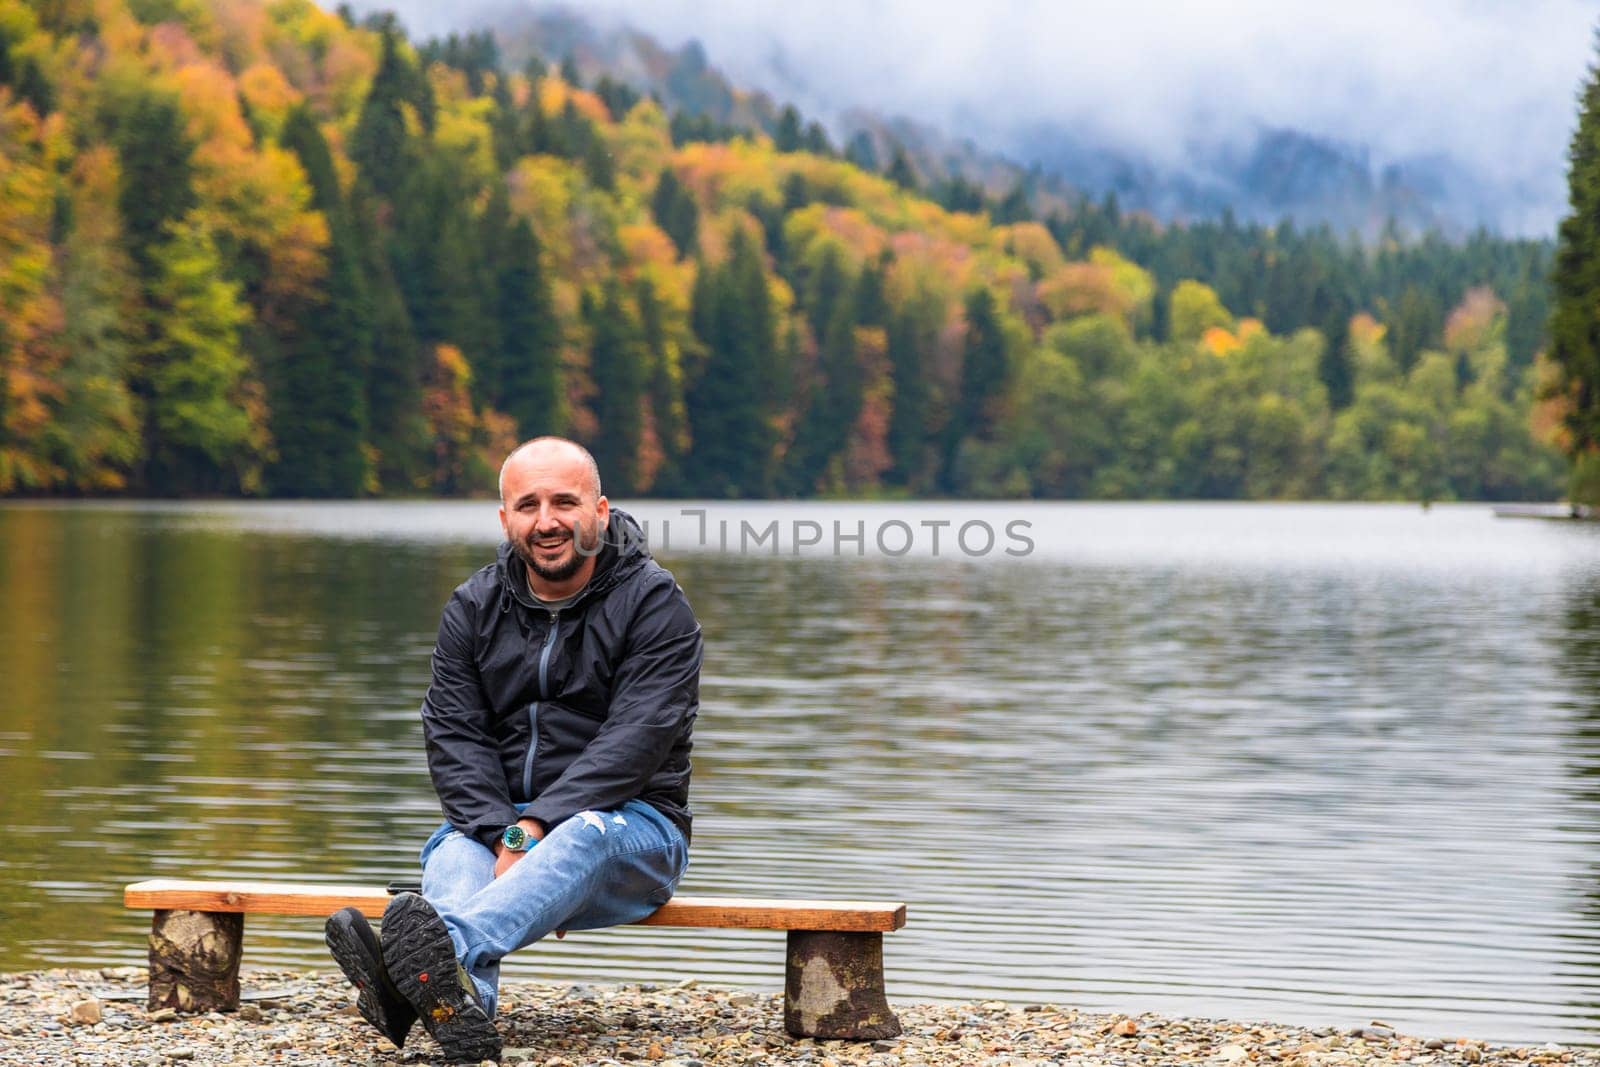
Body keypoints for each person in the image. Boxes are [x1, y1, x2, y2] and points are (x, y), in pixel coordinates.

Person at [323, 437, 701, 1061]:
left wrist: (535, 825)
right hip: (501, 824)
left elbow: (636, 740)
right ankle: (461, 1013)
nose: (547, 522)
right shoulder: (474, 606)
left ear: (600, 512)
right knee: (454, 849)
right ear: (506, 520)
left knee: (583, 833)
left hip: (633, 831)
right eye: (528, 505)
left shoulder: (655, 605)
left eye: (564, 502)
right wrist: (502, 830)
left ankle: (412, 972)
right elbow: (453, 733)